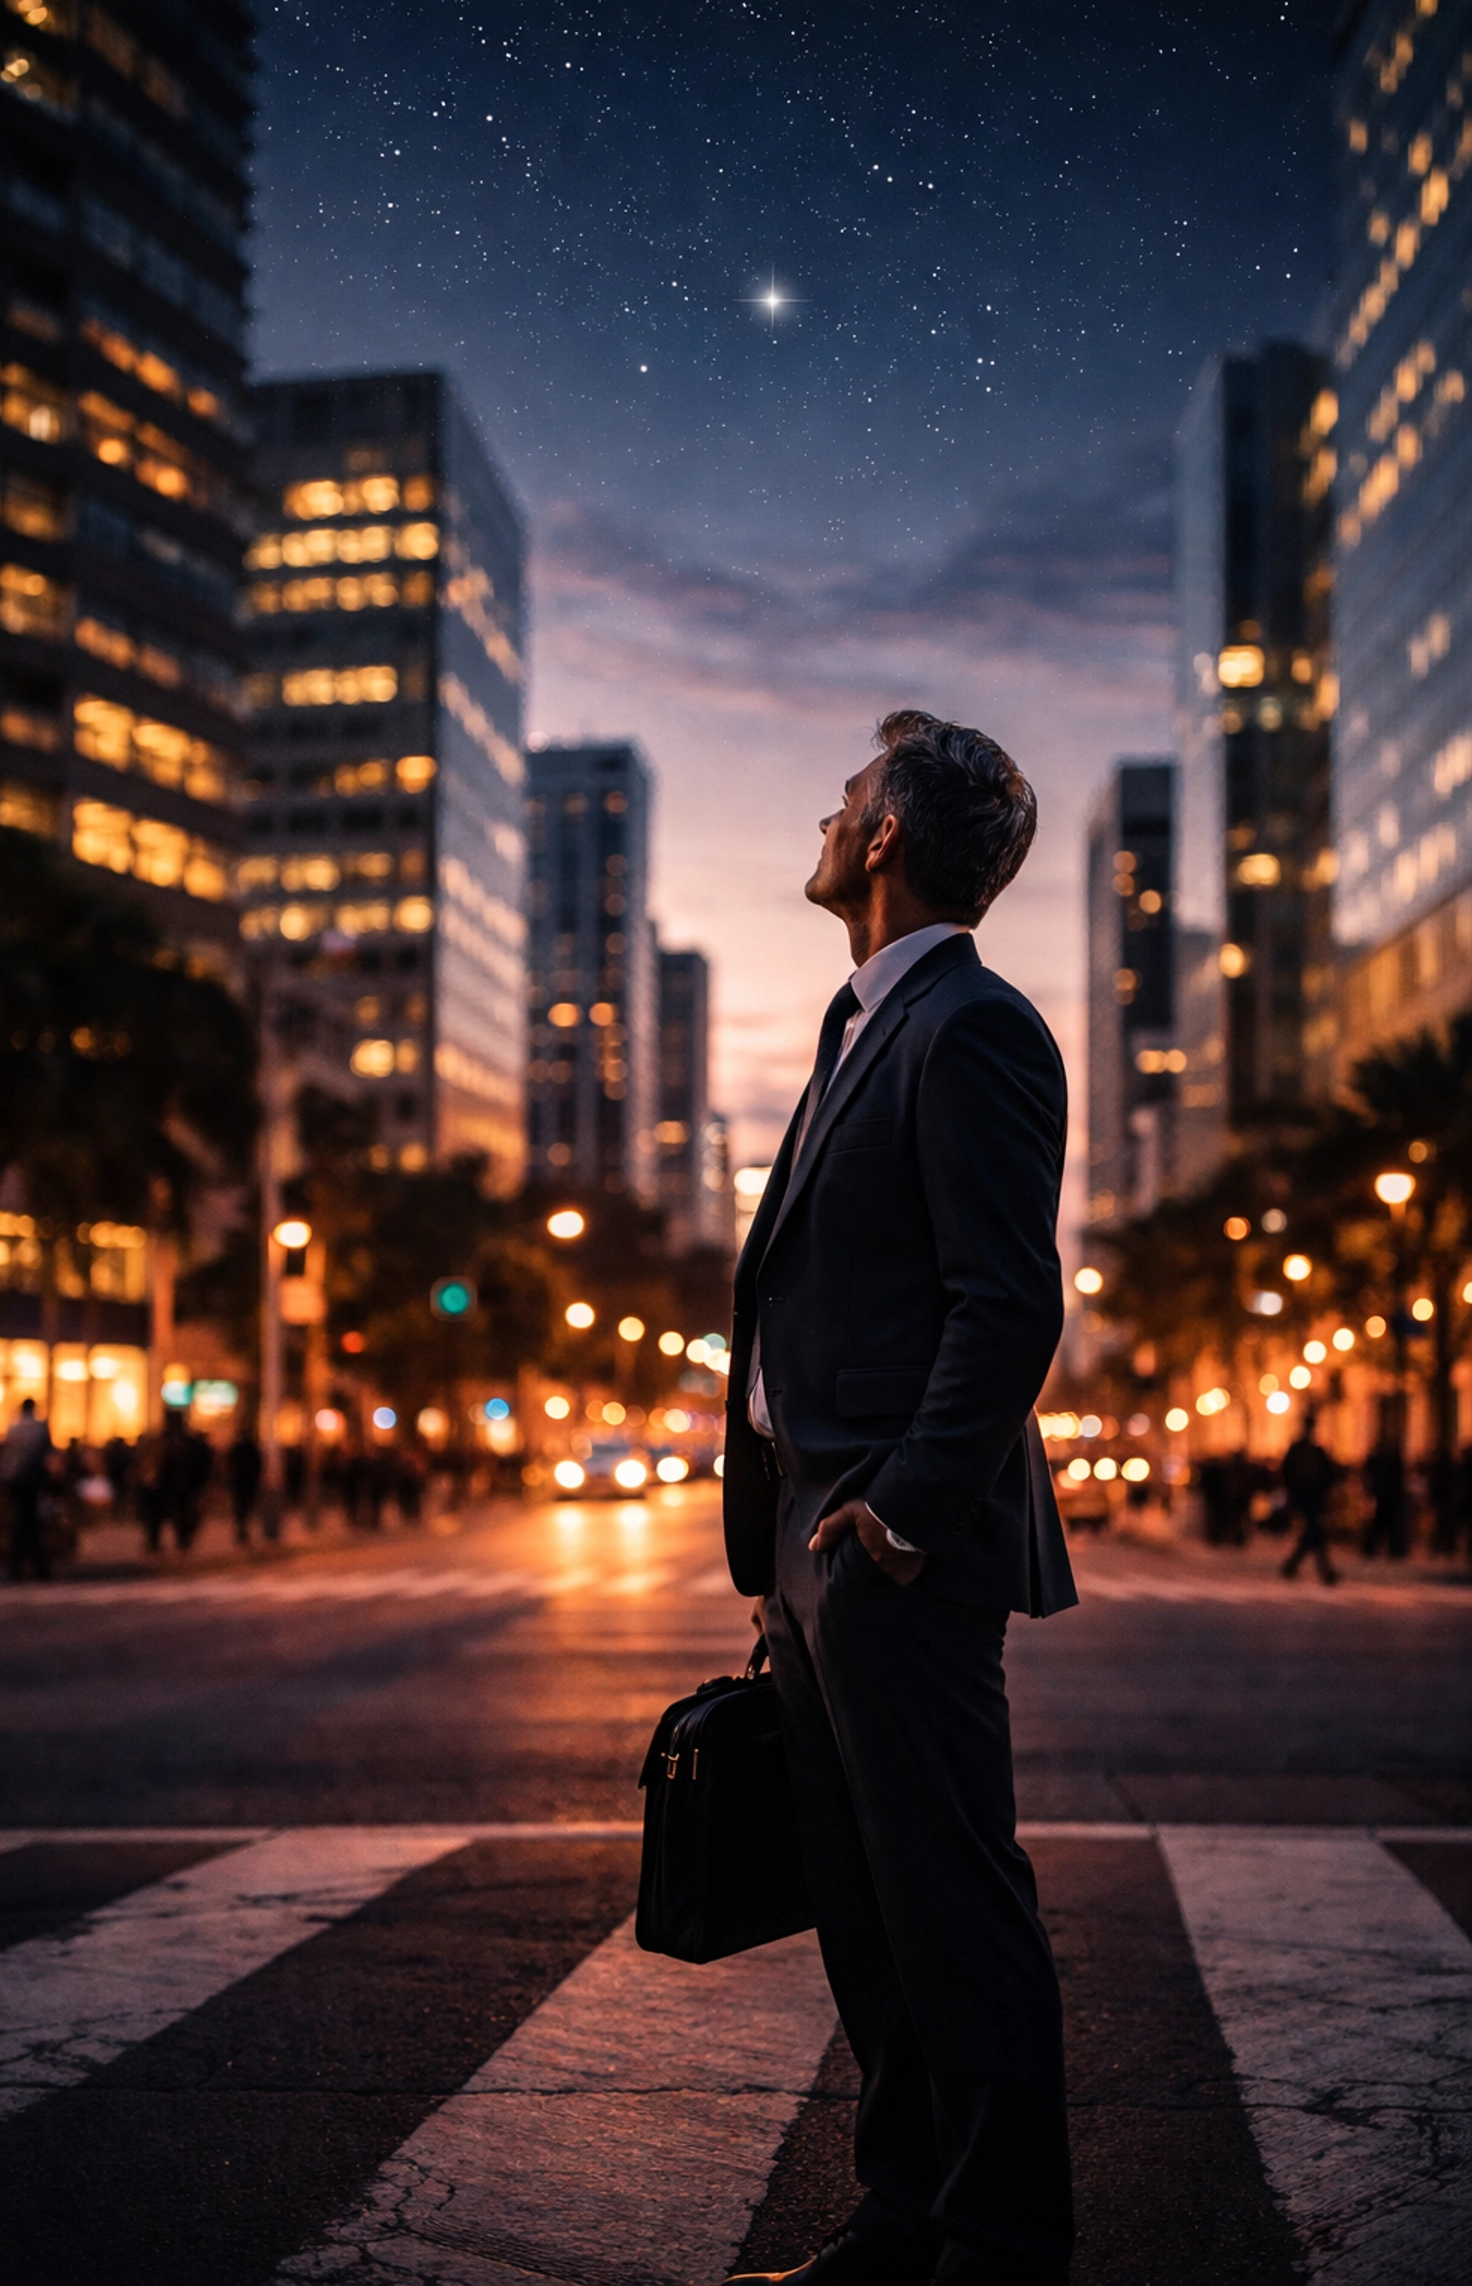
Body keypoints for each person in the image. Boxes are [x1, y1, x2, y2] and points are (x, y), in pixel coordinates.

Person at [723, 711, 1076, 2286]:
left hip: (892, 1540)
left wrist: (902, 1516)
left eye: (850, 792)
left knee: (948, 1896)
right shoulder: (860, 1024)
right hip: (813, 1527)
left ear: (883, 840)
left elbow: (1005, 1304)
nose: (827, 805)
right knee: (863, 1902)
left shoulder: (972, 1028)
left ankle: (1002, 2245)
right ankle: (905, 2215)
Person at [1279, 1413, 1339, 1584]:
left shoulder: (1311, 1450)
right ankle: (1323, 1569)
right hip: (1306, 1496)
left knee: (1314, 1533)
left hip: (1311, 1496)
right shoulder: (1305, 1450)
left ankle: (1293, 1565)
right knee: (1315, 1532)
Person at [0, 1397, 53, 1581]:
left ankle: (17, 1565)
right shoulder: (39, 1428)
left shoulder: (13, 1428)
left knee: (20, 1521)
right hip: (32, 1479)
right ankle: (38, 1566)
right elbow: (47, 1455)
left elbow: (6, 1454)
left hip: (14, 1480)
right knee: (31, 1523)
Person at [1362, 1431, 1408, 1559]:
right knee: (1385, 1523)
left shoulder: (1382, 1459)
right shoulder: (1390, 1459)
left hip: (1385, 1495)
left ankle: (1374, 1548)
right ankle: (1391, 1549)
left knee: (1382, 1523)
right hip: (1388, 1496)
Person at [226, 1428, 262, 1547]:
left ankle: (242, 1529)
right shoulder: (251, 1449)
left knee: (241, 1507)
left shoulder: (238, 1448)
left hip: (241, 1482)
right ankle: (242, 1529)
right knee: (245, 1507)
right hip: (246, 1483)